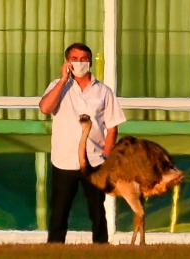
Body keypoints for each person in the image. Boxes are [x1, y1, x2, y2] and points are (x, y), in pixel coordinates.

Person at [39, 43, 126, 243]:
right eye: (75, 59)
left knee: (97, 211)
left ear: (90, 61)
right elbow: (45, 108)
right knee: (59, 210)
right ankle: (54, 249)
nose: (80, 63)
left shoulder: (103, 90)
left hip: (94, 160)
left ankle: (101, 248)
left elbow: (112, 126)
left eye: (84, 59)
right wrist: (63, 80)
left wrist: (107, 152)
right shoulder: (57, 86)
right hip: (64, 159)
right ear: (67, 62)